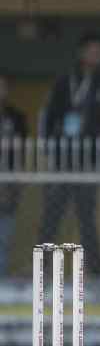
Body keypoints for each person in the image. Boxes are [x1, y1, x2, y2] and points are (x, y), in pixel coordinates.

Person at [39, 32, 100, 274]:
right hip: (63, 158)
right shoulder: (65, 81)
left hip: (89, 159)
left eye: (99, 52)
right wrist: (52, 148)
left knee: (87, 215)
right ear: (81, 53)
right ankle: (43, 265)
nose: (96, 55)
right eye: (91, 50)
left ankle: (96, 267)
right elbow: (50, 117)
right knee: (52, 213)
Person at [0, 74, 27, 276]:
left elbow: (20, 152)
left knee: (4, 234)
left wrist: (15, 180)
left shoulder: (15, 117)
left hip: (7, 179)